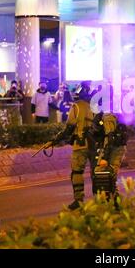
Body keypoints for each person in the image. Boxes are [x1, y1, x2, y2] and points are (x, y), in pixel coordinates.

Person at [49, 82, 94, 210]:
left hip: (80, 145)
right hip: (95, 146)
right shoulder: (96, 106)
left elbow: (69, 128)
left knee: (77, 173)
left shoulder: (77, 107)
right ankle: (101, 199)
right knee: (96, 174)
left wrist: (56, 139)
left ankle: (78, 200)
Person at [86, 111, 127, 201]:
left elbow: (110, 139)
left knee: (110, 173)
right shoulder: (99, 116)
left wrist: (104, 157)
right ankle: (111, 198)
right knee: (103, 173)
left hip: (116, 149)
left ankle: (114, 200)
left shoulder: (107, 116)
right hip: (112, 147)